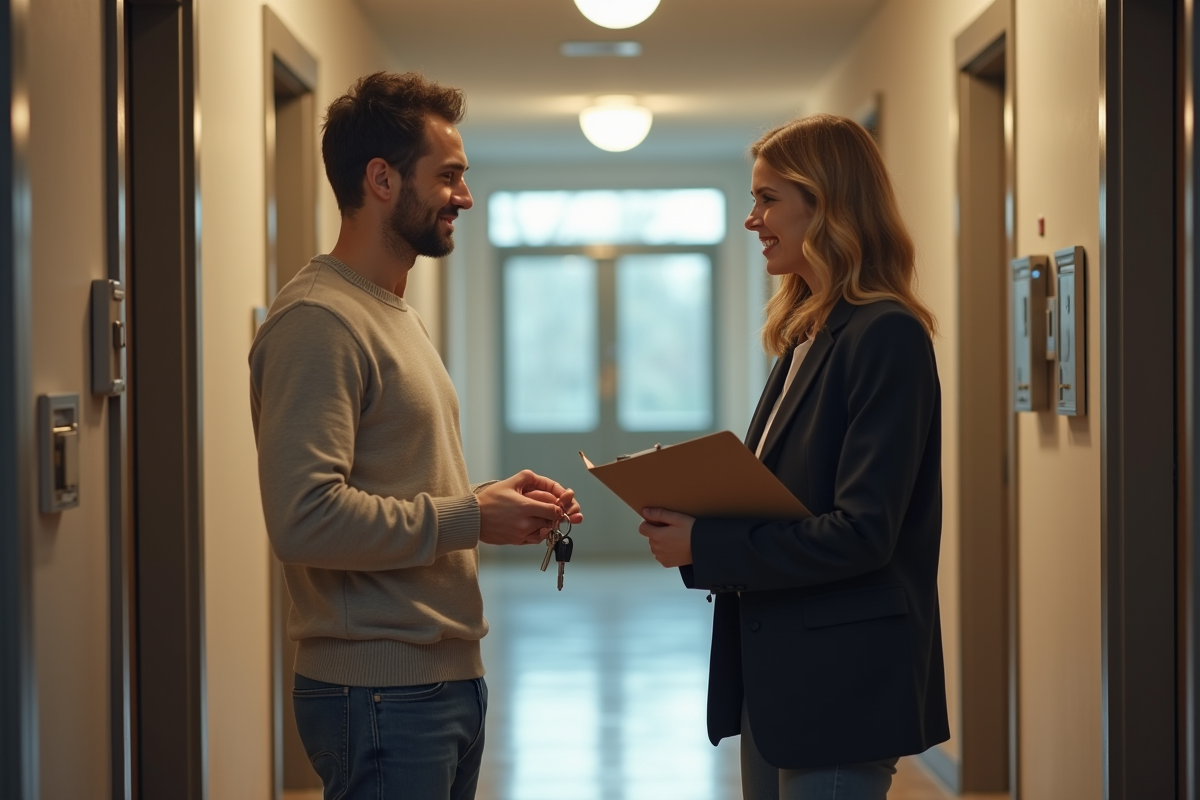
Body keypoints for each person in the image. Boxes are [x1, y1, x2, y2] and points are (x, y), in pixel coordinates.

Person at [250, 72, 581, 800]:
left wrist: (488, 501)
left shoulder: (390, 311)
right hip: (378, 694)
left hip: (438, 684)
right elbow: (305, 520)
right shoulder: (318, 321)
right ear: (381, 179)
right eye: (449, 176)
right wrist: (470, 517)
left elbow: (391, 484)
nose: (464, 196)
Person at [637, 114, 948, 800]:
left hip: (841, 680)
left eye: (768, 198)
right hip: (779, 673)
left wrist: (706, 541)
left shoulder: (886, 335)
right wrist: (694, 515)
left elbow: (865, 533)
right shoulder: (808, 333)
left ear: (826, 204)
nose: (753, 219)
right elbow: (785, 501)